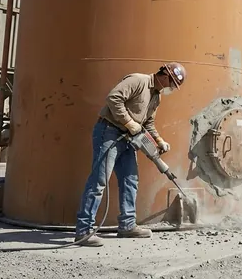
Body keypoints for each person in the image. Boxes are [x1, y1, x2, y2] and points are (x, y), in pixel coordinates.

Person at [74, 62, 187, 247]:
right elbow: (113, 98)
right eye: (171, 83)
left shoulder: (156, 98)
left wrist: (159, 141)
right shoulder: (138, 81)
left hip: (127, 138)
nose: (170, 88)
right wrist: (128, 122)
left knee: (130, 179)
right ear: (165, 74)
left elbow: (148, 123)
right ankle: (84, 231)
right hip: (109, 132)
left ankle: (127, 226)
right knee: (99, 181)